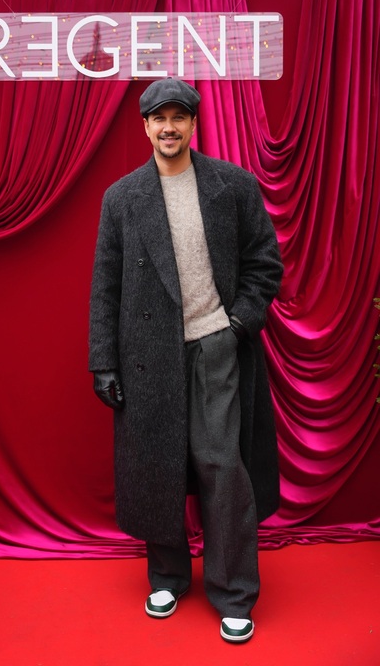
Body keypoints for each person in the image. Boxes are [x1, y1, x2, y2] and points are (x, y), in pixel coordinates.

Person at [89, 78, 283, 644]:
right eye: (159, 118)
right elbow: (105, 286)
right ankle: (168, 577)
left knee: (223, 466)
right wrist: (103, 361)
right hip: (147, 354)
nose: (169, 127)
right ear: (145, 127)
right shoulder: (121, 198)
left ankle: (233, 591)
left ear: (194, 124)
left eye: (179, 116)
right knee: (158, 464)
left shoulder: (233, 185)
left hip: (217, 346)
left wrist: (237, 324)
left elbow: (264, 263)